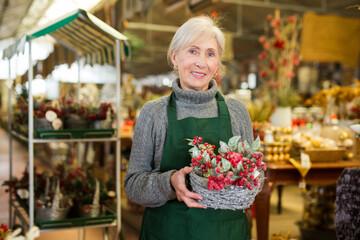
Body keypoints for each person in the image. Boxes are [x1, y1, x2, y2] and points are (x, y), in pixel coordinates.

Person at [124, 15, 254, 240]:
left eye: (210, 54)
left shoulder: (237, 111)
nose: (201, 62)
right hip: (169, 231)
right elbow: (133, 186)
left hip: (226, 232)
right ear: (175, 57)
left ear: (217, 65)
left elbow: (250, 178)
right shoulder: (154, 113)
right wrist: (170, 183)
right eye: (193, 51)